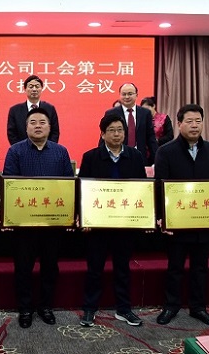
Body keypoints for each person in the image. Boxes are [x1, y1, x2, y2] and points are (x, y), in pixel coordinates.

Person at [3, 107, 74, 328]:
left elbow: (68, 184)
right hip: (24, 224)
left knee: (50, 267)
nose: (38, 126)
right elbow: (9, 184)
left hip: (52, 223)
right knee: (23, 268)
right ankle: (25, 308)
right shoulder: (15, 151)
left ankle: (45, 306)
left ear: (50, 127)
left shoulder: (60, 152)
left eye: (42, 122)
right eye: (32, 122)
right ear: (26, 128)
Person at [154, 104, 209, 326]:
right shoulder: (166, 151)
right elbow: (159, 186)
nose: (194, 125)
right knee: (175, 267)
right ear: (179, 124)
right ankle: (171, 306)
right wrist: (162, 216)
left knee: (200, 267)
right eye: (189, 121)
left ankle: (198, 307)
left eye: (198, 121)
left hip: (204, 221)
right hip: (177, 221)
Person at [79, 114, 147, 328]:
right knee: (94, 268)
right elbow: (82, 189)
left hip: (125, 224)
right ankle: (89, 308)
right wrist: (84, 217)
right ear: (102, 134)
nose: (116, 134)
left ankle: (124, 309)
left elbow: (143, 189)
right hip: (98, 224)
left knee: (122, 268)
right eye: (111, 130)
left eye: (120, 130)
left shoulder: (135, 156)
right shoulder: (91, 157)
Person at [104, 83, 157, 165]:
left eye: (130, 94)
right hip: (117, 158)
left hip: (140, 158)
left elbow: (151, 138)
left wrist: (156, 159)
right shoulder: (111, 113)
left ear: (136, 95)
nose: (127, 97)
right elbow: (105, 137)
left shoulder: (145, 113)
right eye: (124, 94)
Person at [6, 75, 60, 145]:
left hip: (46, 149)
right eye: (31, 87)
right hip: (21, 150)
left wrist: (47, 148)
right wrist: (20, 148)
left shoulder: (50, 109)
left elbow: (55, 132)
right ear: (25, 89)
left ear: (41, 89)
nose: (34, 89)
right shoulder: (15, 110)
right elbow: (12, 134)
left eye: (37, 86)